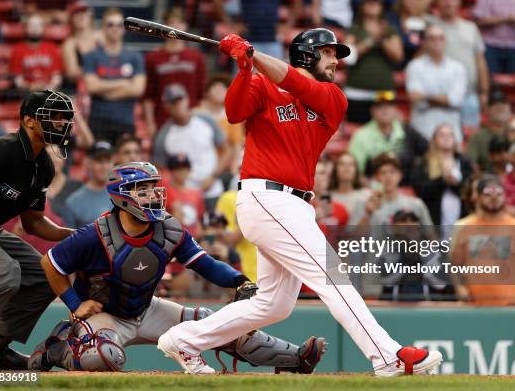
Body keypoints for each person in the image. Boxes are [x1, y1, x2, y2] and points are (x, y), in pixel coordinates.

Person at [158, 28, 442, 376]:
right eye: (328, 53)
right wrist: (245, 68)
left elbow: (298, 84)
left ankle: (185, 339)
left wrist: (255, 56)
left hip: (294, 205)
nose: (336, 60)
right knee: (332, 277)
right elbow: (234, 112)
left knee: (274, 305)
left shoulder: (333, 98)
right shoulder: (263, 85)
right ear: (307, 54)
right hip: (266, 197)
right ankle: (387, 356)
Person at [27, 162, 326, 374]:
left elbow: (204, 264)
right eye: (141, 189)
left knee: (220, 324)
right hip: (105, 315)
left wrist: (239, 281)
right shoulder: (95, 234)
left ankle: (295, 358)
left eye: (152, 188)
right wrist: (75, 304)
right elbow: (50, 263)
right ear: (121, 196)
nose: (152, 195)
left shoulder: (168, 228)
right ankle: (57, 345)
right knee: (102, 358)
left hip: (147, 309)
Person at [0, 90, 75, 370]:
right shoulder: (0, 150)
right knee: (6, 271)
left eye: (64, 119)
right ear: (28, 120)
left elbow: (34, 222)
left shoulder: (44, 166)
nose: (61, 124)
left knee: (45, 273)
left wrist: (73, 235)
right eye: (53, 117)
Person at [450, 175, 515, 305]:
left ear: (505, 196)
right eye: (488, 194)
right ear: (478, 197)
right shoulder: (464, 228)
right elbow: (454, 265)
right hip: (474, 307)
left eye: (498, 194)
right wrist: (460, 290)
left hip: (511, 306)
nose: (494, 198)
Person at [152, 84, 230, 211]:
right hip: (184, 197)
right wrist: (178, 190)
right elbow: (160, 170)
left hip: (213, 188)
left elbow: (226, 150)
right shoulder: (163, 135)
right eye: (172, 102)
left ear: (187, 99)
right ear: (166, 106)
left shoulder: (206, 120)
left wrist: (213, 176)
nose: (177, 104)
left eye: (180, 99)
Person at [82, 8, 145, 144]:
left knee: (127, 165)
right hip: (99, 122)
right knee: (100, 164)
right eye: (110, 25)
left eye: (119, 25)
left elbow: (137, 89)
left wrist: (104, 92)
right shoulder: (91, 56)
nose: (115, 29)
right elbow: (92, 87)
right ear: (103, 28)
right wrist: (123, 83)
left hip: (125, 121)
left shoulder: (135, 57)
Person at [430, 0, 489, 128]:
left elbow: (480, 61)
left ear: (459, 3)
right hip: (439, 97)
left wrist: (484, 91)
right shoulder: (431, 27)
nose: (448, 3)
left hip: (469, 95)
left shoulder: (471, 27)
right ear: (437, 3)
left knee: (469, 137)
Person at [143, 8, 207, 136]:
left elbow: (202, 94)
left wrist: (201, 119)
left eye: (179, 23)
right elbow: (148, 96)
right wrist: (150, 123)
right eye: (171, 23)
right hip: (162, 120)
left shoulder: (196, 57)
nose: (175, 28)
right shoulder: (153, 58)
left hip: (191, 119)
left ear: (185, 26)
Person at [343, 0, 404, 124]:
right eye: (368, 2)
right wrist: (370, 41)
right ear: (361, 6)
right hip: (356, 93)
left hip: (383, 94)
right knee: (357, 131)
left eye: (376, 2)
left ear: (381, 6)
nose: (372, 5)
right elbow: (347, 57)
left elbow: (398, 57)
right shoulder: (354, 29)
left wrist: (382, 40)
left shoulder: (389, 30)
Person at [405, 24, 467, 145]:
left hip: (451, 133)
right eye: (432, 38)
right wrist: (445, 100)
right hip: (422, 132)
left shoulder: (458, 68)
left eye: (440, 38)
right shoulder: (415, 66)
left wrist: (426, 96)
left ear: (445, 41)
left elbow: (456, 100)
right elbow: (416, 99)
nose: (437, 42)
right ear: (424, 42)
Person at [348, 90, 428, 178]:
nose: (385, 110)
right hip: (373, 188)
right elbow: (355, 172)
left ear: (395, 110)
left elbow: (430, 151)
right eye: (380, 106)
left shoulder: (407, 131)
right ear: (372, 111)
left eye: (389, 106)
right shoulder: (361, 135)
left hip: (406, 187)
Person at [213, 0, 302, 60]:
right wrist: (230, 24)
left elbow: (297, 1)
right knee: (246, 77)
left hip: (272, 38)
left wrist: (288, 25)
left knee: (275, 78)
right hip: (247, 40)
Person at [411, 124, 473, 230]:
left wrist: (455, 185)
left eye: (450, 135)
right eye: (442, 135)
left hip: (461, 218)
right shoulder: (424, 164)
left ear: (455, 139)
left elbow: (470, 191)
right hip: (434, 221)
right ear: (434, 140)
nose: (446, 138)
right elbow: (421, 191)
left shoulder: (464, 162)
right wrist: (443, 181)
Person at [361, 153, 433, 227]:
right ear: (376, 177)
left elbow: (432, 237)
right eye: (383, 172)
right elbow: (352, 237)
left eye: (392, 172)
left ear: (400, 175)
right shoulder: (364, 205)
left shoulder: (416, 205)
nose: (388, 177)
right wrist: (367, 214)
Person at [61, 141, 113, 228]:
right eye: (99, 161)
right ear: (88, 162)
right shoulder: (73, 202)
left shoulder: (121, 195)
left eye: (108, 161)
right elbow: (70, 239)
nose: (104, 166)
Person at [11, 14, 63, 93]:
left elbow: (57, 76)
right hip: (27, 94)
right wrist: (29, 87)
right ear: (25, 28)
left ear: (43, 28)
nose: (35, 29)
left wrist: (48, 89)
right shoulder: (18, 50)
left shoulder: (52, 48)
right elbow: (17, 79)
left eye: (38, 26)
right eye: (31, 26)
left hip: (50, 93)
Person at [61, 1, 102, 95]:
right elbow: (72, 73)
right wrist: (101, 69)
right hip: (77, 90)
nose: (80, 16)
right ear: (71, 19)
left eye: (83, 12)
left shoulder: (101, 37)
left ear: (90, 16)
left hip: (103, 86)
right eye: (76, 14)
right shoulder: (69, 44)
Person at [466, 89, 512, 172]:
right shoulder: (478, 137)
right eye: (495, 104)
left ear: (509, 108)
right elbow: (470, 164)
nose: (500, 107)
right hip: (489, 180)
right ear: (487, 109)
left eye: (503, 103)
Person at [165, 153, 204, 237]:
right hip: (175, 237)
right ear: (171, 171)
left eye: (185, 168)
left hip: (193, 238)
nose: (182, 171)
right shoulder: (166, 191)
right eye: (178, 168)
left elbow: (198, 219)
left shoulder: (196, 193)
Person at [328, 152, 370, 224]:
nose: (346, 167)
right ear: (335, 169)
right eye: (342, 164)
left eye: (351, 164)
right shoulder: (327, 196)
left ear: (356, 170)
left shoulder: (367, 195)